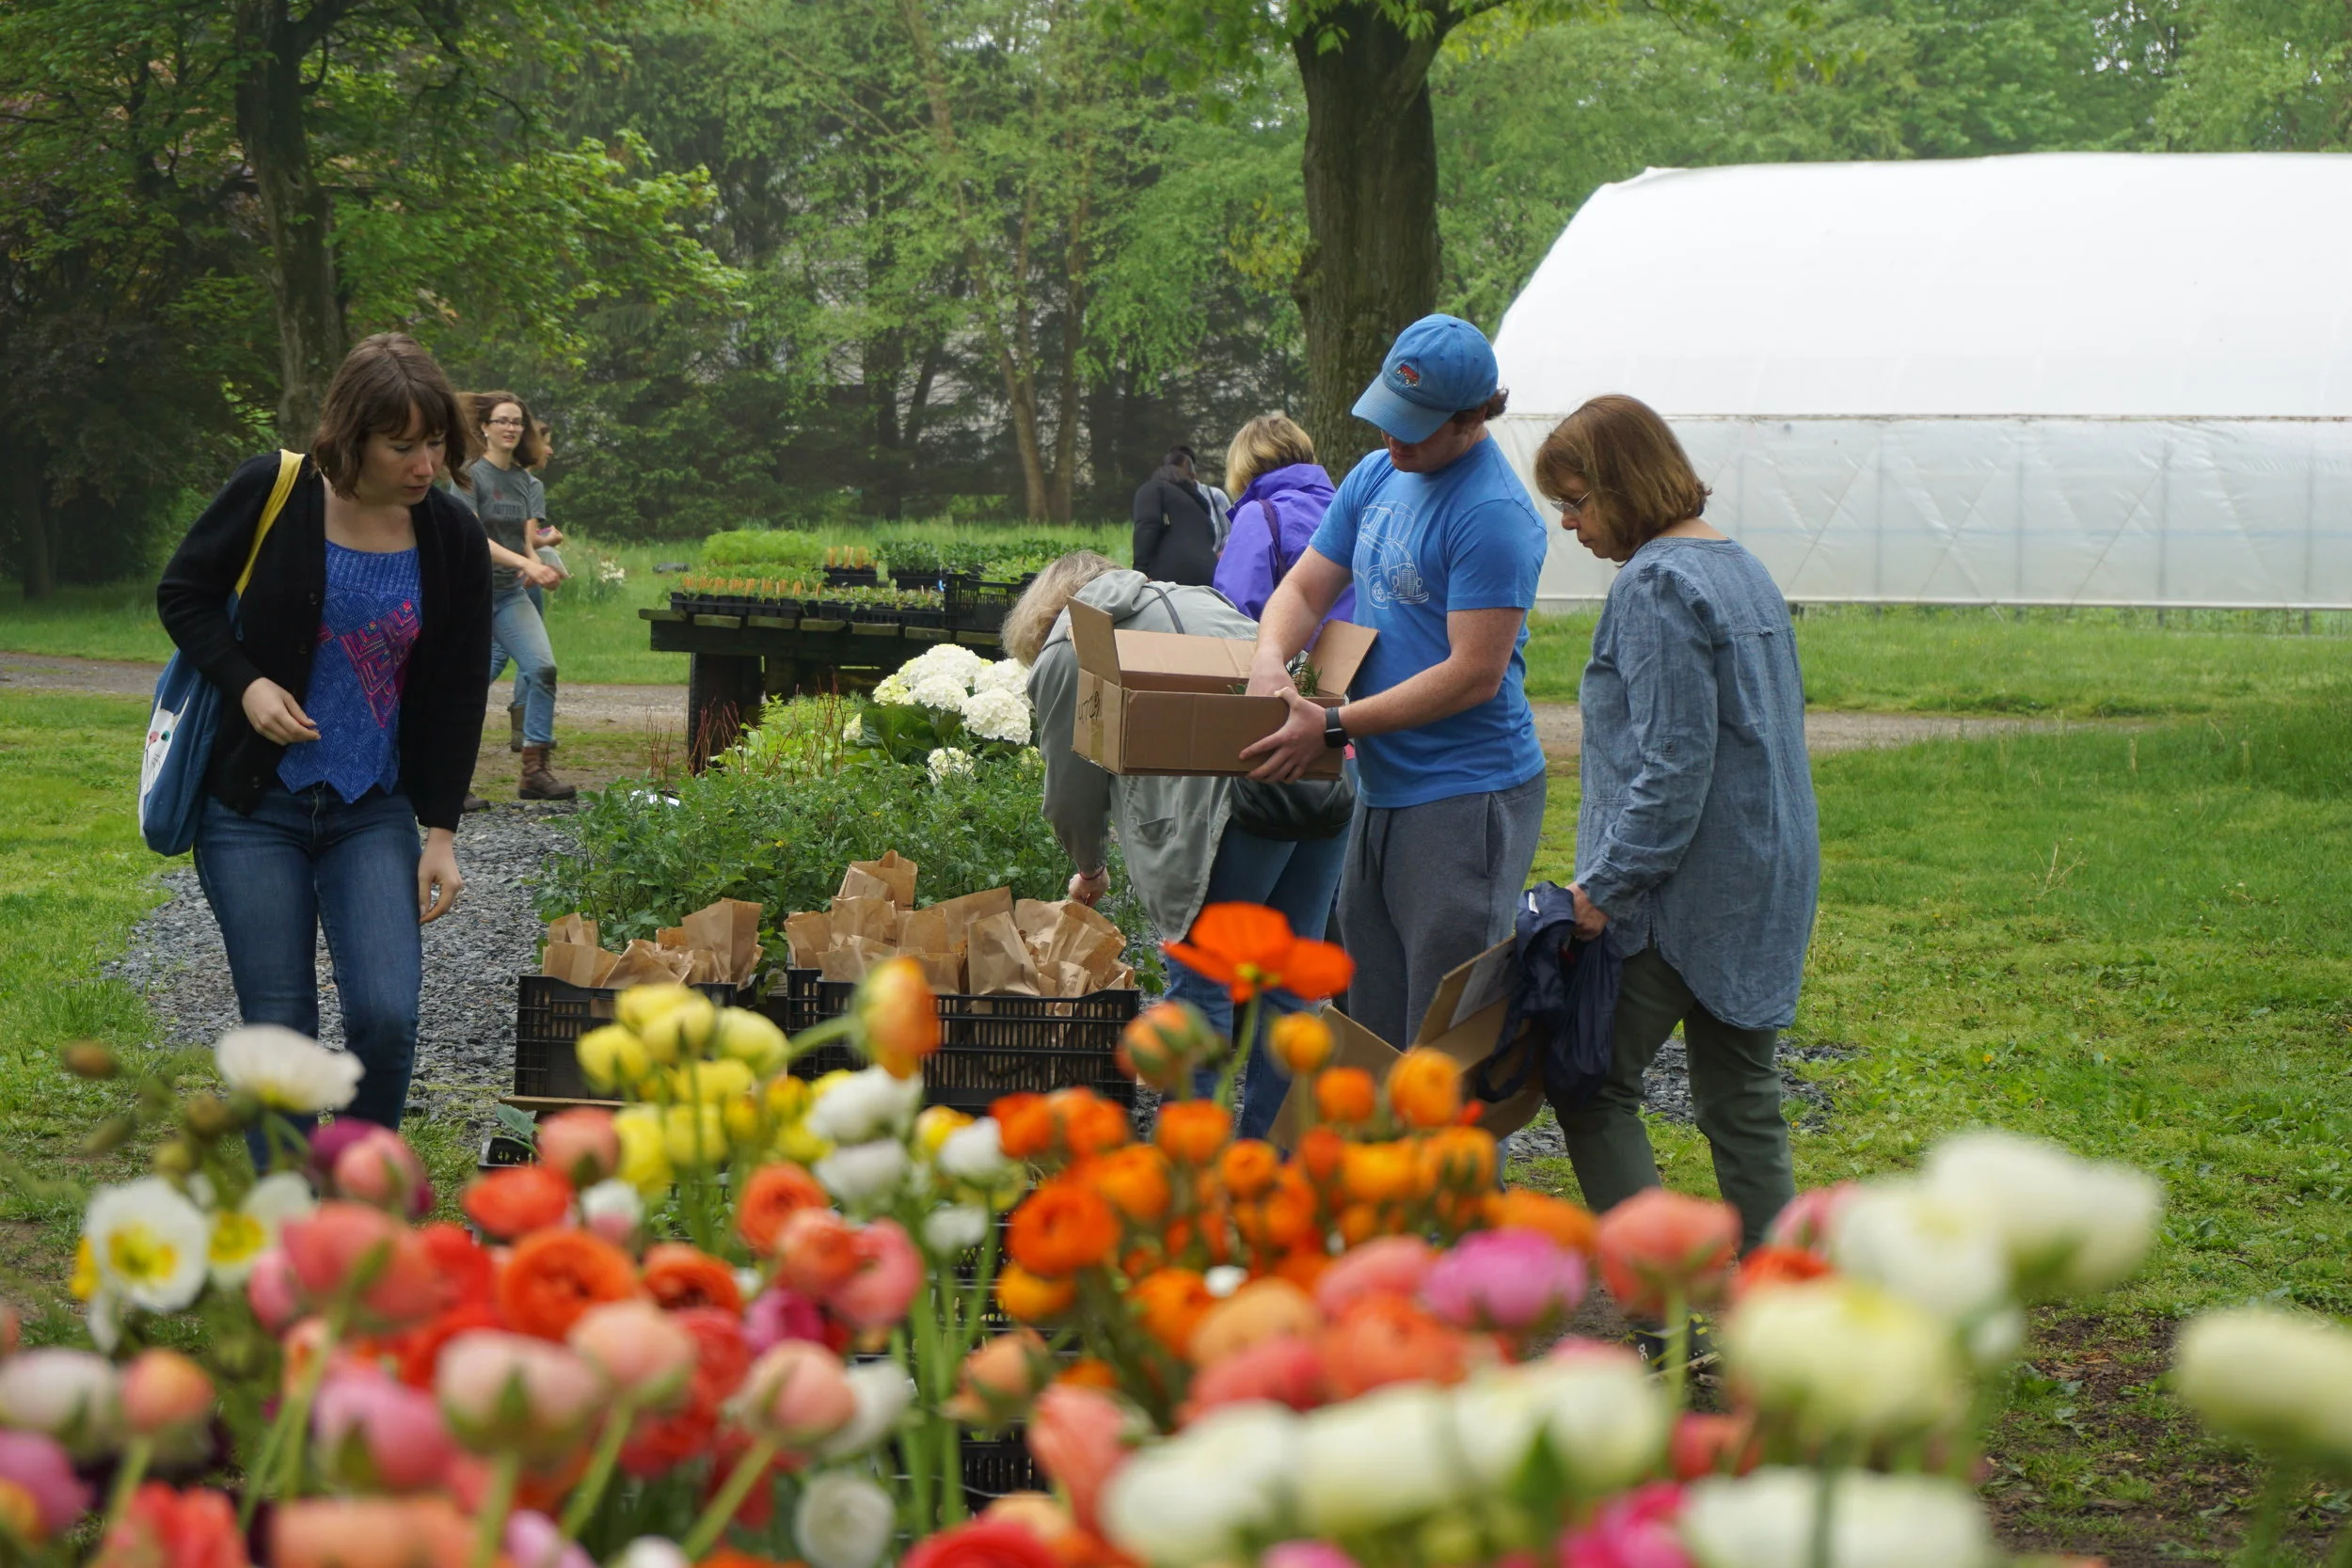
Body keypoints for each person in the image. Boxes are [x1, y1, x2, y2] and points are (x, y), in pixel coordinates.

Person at [156, 333, 493, 1162]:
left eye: (435, 442)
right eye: (402, 445)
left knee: (387, 1015)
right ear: (353, 435)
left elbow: (459, 692)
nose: (424, 464)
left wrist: (441, 831)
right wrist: (247, 683)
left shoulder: (451, 535)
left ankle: (359, 1185)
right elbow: (184, 593)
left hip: (370, 809)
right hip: (252, 809)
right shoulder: (274, 491)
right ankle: (290, 1209)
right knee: (281, 1026)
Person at [1536, 394, 1819, 1250]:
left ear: (1624, 484)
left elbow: (1672, 765)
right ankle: (1792, 1305)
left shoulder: (1657, 583)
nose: (1570, 525)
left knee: (1592, 1086)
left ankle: (1660, 1299)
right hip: (1764, 873)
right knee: (1742, 1100)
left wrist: (1604, 887)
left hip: (1679, 894)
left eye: (1577, 502)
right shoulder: (1740, 565)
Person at [1239, 314, 1549, 1050]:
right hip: (1381, 786)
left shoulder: (1493, 515)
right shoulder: (1378, 474)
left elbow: (1473, 674)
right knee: (1368, 1020)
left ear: (1471, 418)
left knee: (1444, 1037)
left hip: (1464, 795)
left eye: (1414, 425)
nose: (1392, 437)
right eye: (1388, 415)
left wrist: (1333, 725)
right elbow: (1304, 588)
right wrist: (1269, 657)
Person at [1009, 552, 1347, 1140]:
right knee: (1289, 988)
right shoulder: (1199, 600)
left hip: (1237, 805)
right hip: (1324, 783)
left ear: (1043, 613)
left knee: (1201, 985)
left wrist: (1090, 867)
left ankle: (1190, 1162)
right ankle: (1272, 1166)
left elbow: (1071, 788)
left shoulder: (1070, 643)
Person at [467, 390, 573, 800]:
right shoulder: (469, 477)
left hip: (509, 594)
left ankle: (534, 773)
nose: (510, 428)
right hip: (468, 596)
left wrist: (538, 567)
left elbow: (525, 540)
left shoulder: (527, 482)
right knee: (465, 685)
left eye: (517, 422)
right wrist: (526, 563)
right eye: (502, 421)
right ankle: (451, 781)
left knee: (542, 668)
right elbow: (474, 538)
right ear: (485, 428)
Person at [1212, 412, 1353, 625]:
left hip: (1301, 645)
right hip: (1367, 641)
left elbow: (1236, 613)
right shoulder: (1347, 507)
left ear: (1243, 466)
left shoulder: (1259, 515)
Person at [1130, 446, 1220, 586]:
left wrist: (1139, 572)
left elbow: (1147, 526)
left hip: (1170, 577)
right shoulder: (1200, 506)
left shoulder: (1153, 489)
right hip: (1210, 577)